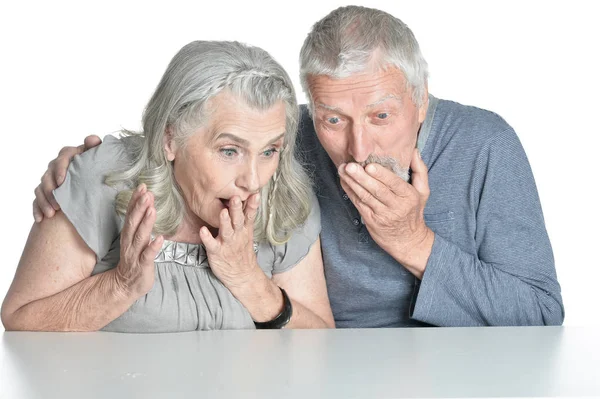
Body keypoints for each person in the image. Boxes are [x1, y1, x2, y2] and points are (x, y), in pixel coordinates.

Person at [26, 6, 564, 328]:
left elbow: (542, 315)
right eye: (333, 118)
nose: (358, 147)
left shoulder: (487, 145)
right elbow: (198, 133)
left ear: (422, 100)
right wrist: (84, 165)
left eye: (382, 115)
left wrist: (413, 241)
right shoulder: (287, 141)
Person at [1, 40, 334, 332]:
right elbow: (20, 318)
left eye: (269, 151)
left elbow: (324, 342)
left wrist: (250, 281)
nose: (252, 180)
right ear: (170, 138)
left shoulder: (285, 195)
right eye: (229, 151)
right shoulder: (102, 178)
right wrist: (119, 286)